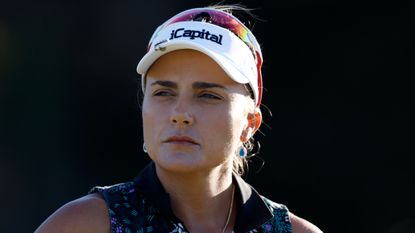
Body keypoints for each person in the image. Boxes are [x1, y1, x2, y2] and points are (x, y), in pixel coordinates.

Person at [35, 4, 323, 233]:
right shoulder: (85, 225)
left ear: (250, 124)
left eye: (208, 95)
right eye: (163, 93)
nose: (180, 114)